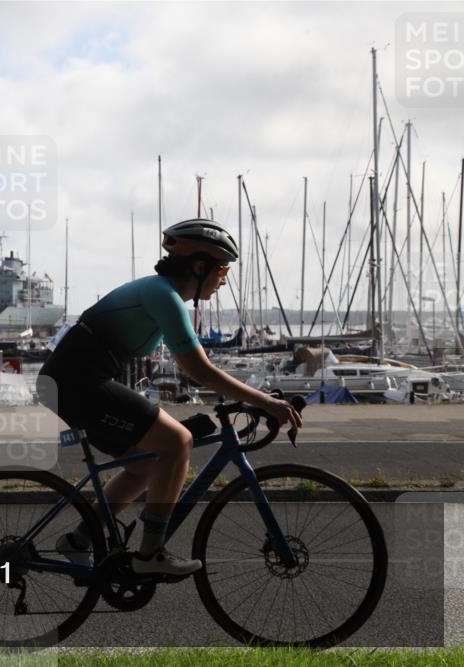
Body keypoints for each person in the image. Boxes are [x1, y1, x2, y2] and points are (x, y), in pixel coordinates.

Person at [39, 218, 302, 577]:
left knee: (144, 467)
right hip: (76, 384)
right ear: (199, 265)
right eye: (223, 268)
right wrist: (264, 401)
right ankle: (150, 555)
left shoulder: (162, 294)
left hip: (74, 382)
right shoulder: (164, 297)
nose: (224, 278)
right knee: (178, 442)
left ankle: (79, 541)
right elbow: (202, 371)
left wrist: (252, 397)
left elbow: (189, 366)